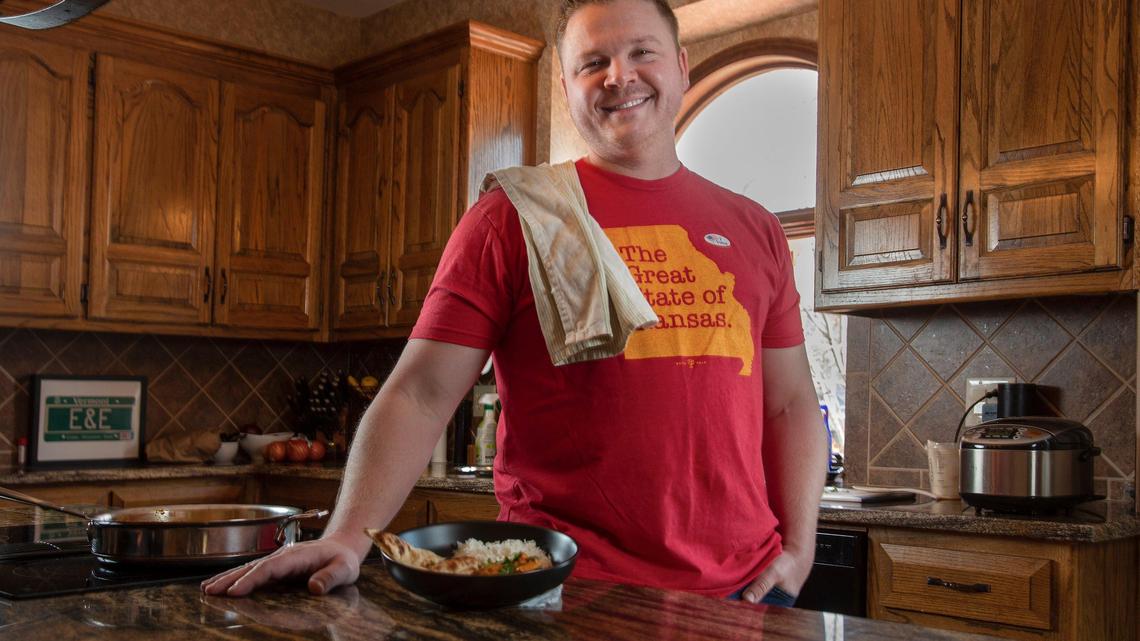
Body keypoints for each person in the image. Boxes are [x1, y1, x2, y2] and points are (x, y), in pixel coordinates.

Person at [202, 0, 826, 605]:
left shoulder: (755, 228)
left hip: (746, 595)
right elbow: (420, 393)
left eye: (642, 52)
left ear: (682, 66)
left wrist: (800, 547)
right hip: (569, 590)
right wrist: (345, 536)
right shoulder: (516, 217)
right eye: (593, 62)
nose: (620, 76)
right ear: (565, 85)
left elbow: (791, 403)